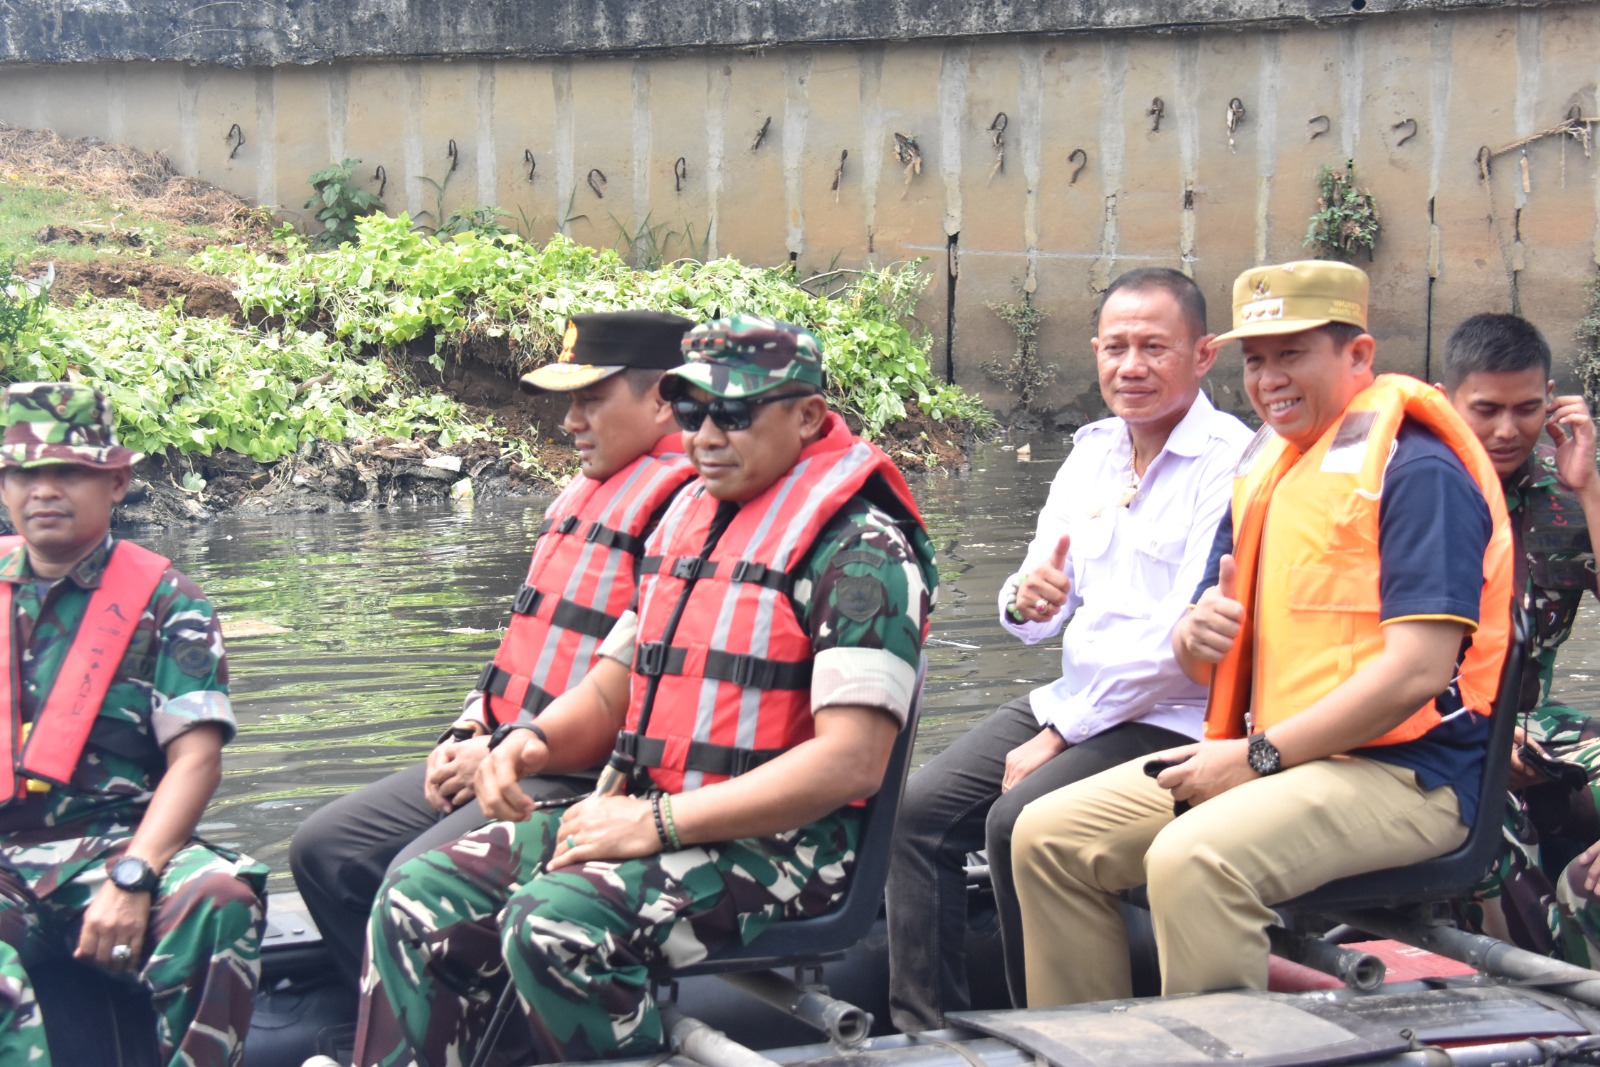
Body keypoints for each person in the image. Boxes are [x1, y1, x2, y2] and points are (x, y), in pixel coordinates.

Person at [338, 316, 938, 1067]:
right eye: (691, 413)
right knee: (418, 895)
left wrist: (657, 823)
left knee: (554, 924)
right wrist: (531, 741)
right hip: (652, 813)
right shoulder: (690, 522)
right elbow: (616, 682)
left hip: (789, 850)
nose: (706, 436)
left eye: (734, 412)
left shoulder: (863, 552)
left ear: (808, 415)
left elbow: (850, 763)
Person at [1010, 259, 1515, 1005]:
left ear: (1359, 356)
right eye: (1256, 360)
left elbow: (1415, 671)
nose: (1269, 378)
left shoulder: (1419, 472)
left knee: (1194, 857)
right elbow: (1194, 648)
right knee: (1046, 836)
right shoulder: (1264, 468)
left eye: (1292, 354)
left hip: (1411, 775)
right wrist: (1195, 633)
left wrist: (1254, 756)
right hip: (1279, 757)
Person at [885, 268, 1251, 1030]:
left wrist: (1060, 734)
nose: (1131, 366)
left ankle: (1043, 1028)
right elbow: (1035, 592)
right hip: (1081, 701)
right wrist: (1024, 599)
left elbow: (1183, 646)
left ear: (1204, 353)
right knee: (916, 813)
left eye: (1154, 347)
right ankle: (928, 1030)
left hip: (1182, 715)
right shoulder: (1093, 454)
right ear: (1094, 351)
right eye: (1116, 347)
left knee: (1015, 817)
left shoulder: (1231, 465)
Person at [289, 310, 697, 989]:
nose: (570, 421)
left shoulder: (685, 509)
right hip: (505, 745)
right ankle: (381, 1024)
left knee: (407, 878)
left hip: (580, 771)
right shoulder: (587, 494)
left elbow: (631, 689)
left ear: (662, 398)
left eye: (591, 399)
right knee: (327, 849)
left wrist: (505, 746)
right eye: (570, 402)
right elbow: (525, 640)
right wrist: (469, 726)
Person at [0, 383, 265, 1065]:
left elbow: (196, 759)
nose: (44, 490)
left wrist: (134, 875)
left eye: (69, 472)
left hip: (117, 846)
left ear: (116, 481)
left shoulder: (170, 601)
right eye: (25, 473)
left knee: (220, 896)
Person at [1441, 313, 1600, 963]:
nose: (1508, 430)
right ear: (1446, 400)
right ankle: (1558, 977)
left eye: (1527, 409)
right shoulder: (1410, 486)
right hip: (1435, 732)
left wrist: (1587, 487)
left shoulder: (1563, 495)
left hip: (1539, 724)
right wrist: (1485, 734)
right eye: (1487, 410)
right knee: (1482, 834)